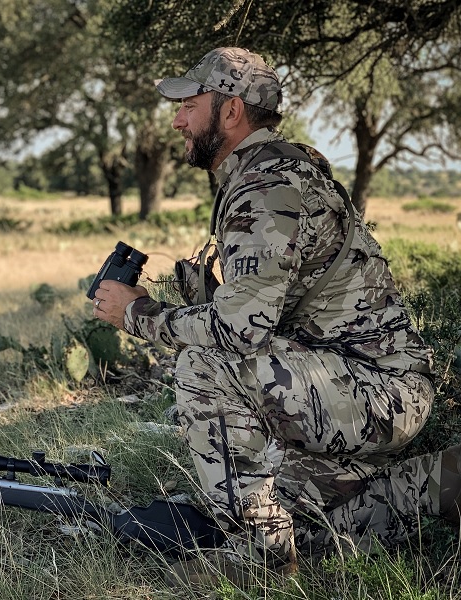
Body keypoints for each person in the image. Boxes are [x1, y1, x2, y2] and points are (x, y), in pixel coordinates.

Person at [90, 47, 456, 588]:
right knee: (300, 521)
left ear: (230, 110)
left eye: (189, 105)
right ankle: (436, 484)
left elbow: (238, 333)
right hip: (354, 386)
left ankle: (260, 562)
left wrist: (138, 312)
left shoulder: (267, 191)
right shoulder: (268, 174)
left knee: (204, 365)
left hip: (377, 393)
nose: (177, 119)